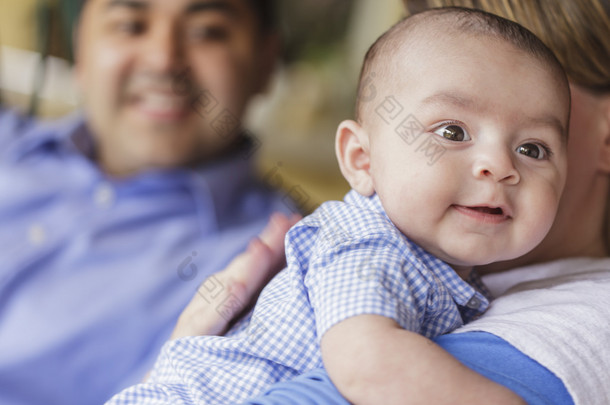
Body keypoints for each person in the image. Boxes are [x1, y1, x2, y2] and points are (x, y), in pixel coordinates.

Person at [107, 7, 571, 404]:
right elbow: (368, 364)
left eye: (533, 149)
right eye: (452, 133)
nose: (500, 166)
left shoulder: (460, 273)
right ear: (361, 159)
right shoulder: (366, 244)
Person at [0, 1, 295, 404]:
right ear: (80, 49)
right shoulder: (10, 142)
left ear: (266, 62)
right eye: (131, 25)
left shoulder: (282, 269)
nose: (163, 60)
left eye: (207, 31)